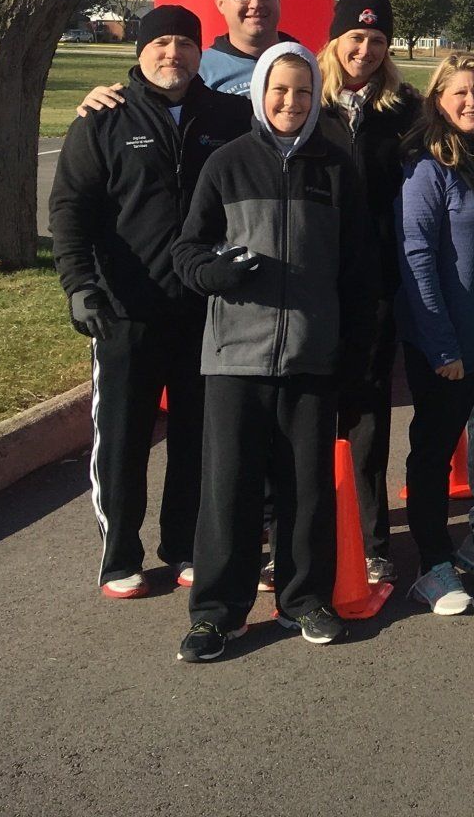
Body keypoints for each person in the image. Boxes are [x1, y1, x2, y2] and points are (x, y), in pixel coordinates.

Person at [170, 43, 373, 661]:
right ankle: (217, 612)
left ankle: (303, 598)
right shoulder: (227, 163)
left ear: (317, 98)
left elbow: (360, 271)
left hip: (312, 356)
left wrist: (354, 353)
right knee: (228, 488)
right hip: (235, 356)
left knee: (306, 488)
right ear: (260, 93)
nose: (291, 102)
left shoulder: (337, 169)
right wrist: (216, 274)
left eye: (303, 92)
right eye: (280, 91)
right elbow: (187, 252)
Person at [49, 4, 250, 599]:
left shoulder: (230, 116)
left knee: (198, 433)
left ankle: (184, 541)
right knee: (123, 434)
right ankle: (119, 552)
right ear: (140, 52)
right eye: (160, 43)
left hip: (205, 308)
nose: (172, 55)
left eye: (184, 44)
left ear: (199, 53)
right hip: (125, 308)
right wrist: (80, 286)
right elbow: (69, 210)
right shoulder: (104, 117)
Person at [395, 51, 474, 619]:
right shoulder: (428, 168)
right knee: (433, 451)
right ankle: (432, 563)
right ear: (438, 101)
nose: (472, 101)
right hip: (446, 346)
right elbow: (417, 256)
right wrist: (441, 343)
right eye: (459, 92)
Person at [315, 0, 417, 588]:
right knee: (308, 410)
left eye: (378, 41)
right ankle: (300, 535)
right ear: (335, 40)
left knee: (368, 411)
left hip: (375, 286)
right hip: (311, 283)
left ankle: (372, 537)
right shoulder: (305, 100)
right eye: (356, 37)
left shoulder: (404, 109)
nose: (367, 49)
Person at [73, 0, 294, 113]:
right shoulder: (193, 69)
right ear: (220, 3)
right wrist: (100, 102)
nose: (256, 3)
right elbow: (147, 110)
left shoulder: (311, 65)